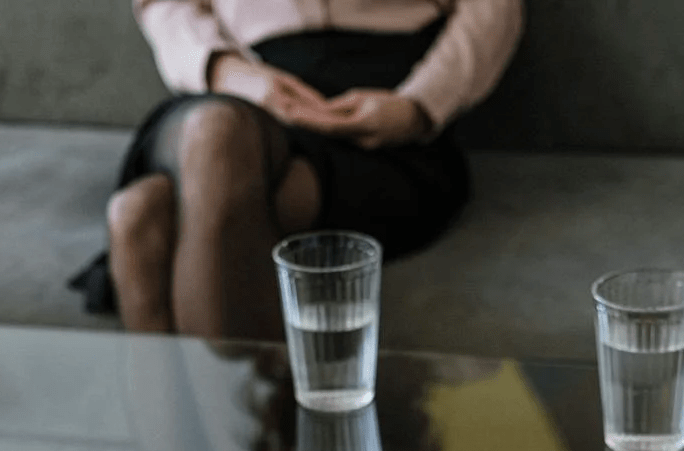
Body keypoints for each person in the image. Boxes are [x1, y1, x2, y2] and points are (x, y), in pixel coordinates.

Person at [69, 0, 523, 340]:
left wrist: (418, 105)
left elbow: (493, 8)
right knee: (215, 136)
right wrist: (227, 72)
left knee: (144, 219)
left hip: (387, 105)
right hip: (245, 87)